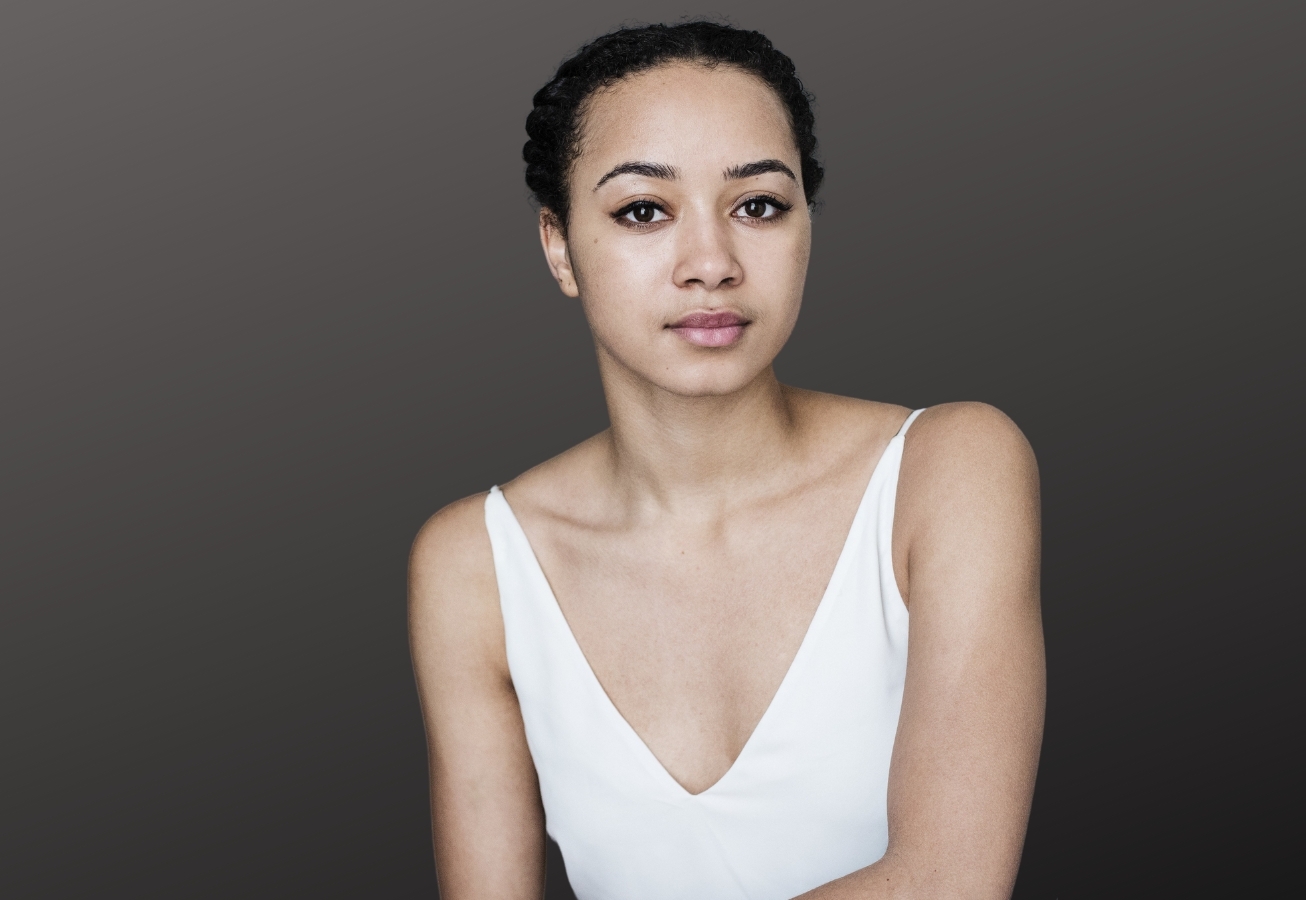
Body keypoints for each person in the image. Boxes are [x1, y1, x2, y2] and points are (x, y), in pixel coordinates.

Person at [409, 21, 1044, 900]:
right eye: (643, 211)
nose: (710, 263)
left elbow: (948, 883)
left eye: (758, 206)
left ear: (806, 226)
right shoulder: (474, 563)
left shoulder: (949, 472)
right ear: (559, 246)